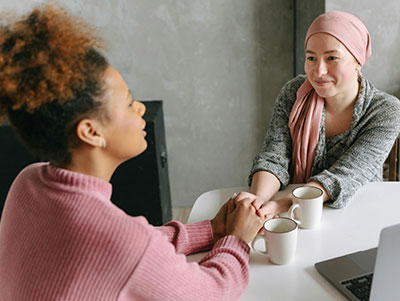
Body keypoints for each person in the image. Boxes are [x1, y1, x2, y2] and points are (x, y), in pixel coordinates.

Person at [0, 4, 265, 300]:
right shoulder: (118, 240)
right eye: (127, 101)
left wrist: (211, 229)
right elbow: (214, 291)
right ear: (91, 131)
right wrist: (237, 239)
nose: (139, 108)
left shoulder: (27, 183)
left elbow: (132, 249)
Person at [235, 11, 400, 218]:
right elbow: (275, 157)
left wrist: (283, 203)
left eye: (332, 58)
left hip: (360, 215)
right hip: (299, 215)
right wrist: (258, 200)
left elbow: (346, 175)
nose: (319, 71)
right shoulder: (294, 93)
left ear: (358, 61)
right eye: (311, 57)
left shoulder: (386, 110)